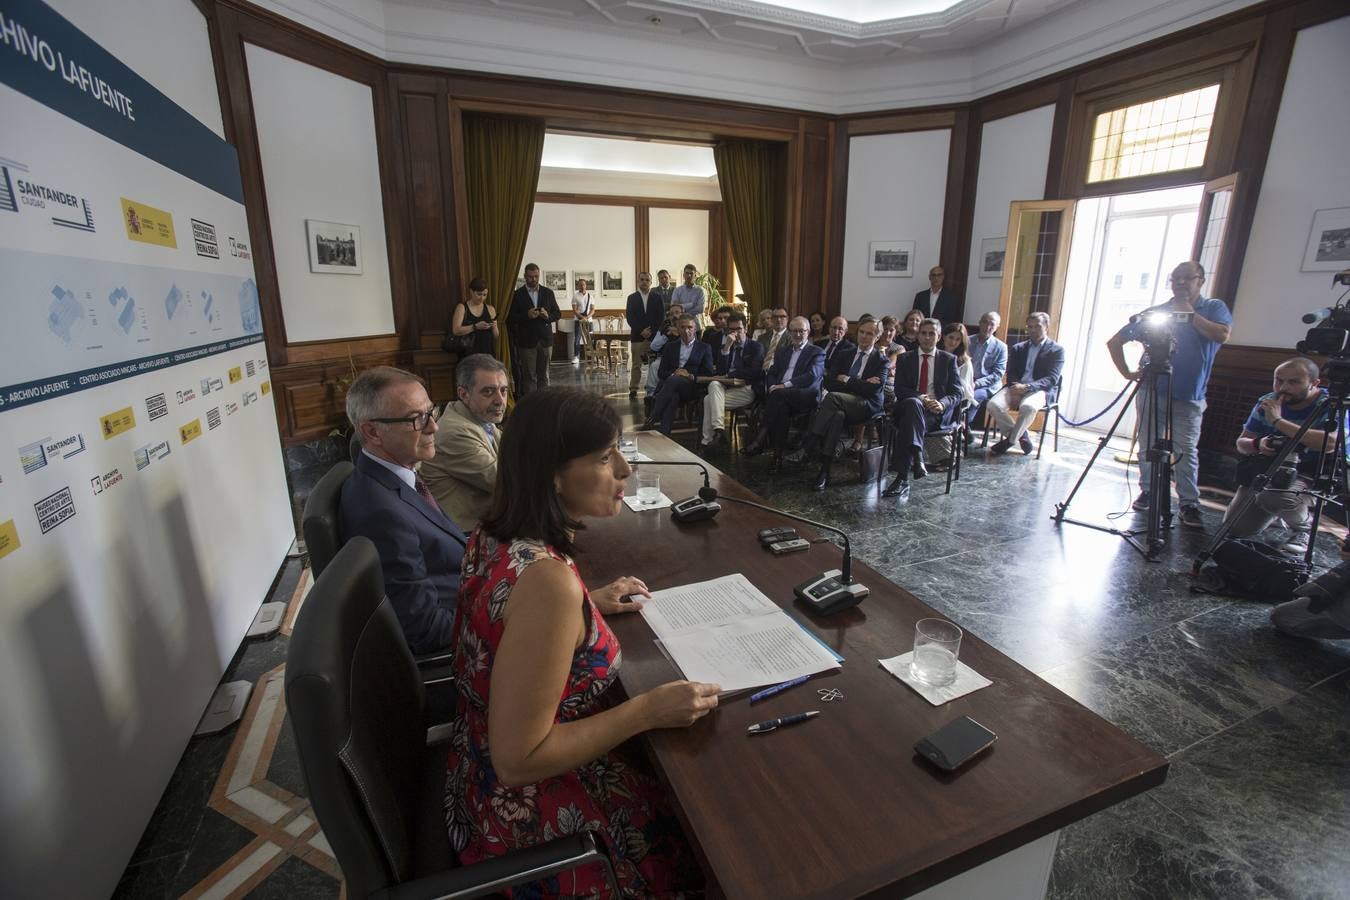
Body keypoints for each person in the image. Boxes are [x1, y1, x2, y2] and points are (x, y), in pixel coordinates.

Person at [444, 389, 717, 897]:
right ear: (552, 473)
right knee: (720, 836)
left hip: (472, 776)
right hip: (537, 816)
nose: (624, 470)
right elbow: (520, 759)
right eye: (602, 457)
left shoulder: (495, 535)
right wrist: (646, 711)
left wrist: (583, 607)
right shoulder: (546, 584)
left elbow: (504, 623)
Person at [338, 366, 467, 655]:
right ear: (372, 432)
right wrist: (505, 616)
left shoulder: (396, 475)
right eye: (416, 419)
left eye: (431, 412)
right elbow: (425, 627)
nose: (434, 426)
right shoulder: (379, 512)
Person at [1107, 260, 1232, 527]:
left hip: (1189, 394)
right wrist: (1128, 373)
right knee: (1148, 444)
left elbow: (1222, 335)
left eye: (1188, 278)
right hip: (1153, 389)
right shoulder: (1157, 312)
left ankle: (1189, 503)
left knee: (1185, 449)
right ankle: (1149, 490)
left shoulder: (1213, 308)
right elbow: (1115, 340)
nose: (1181, 284)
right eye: (1176, 279)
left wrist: (1189, 314)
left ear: (1201, 280)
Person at [1221, 358, 1333, 555]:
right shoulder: (1267, 401)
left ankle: (1303, 528)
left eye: (1293, 382)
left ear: (1314, 383)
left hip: (1307, 474)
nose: (1283, 387)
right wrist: (1258, 444)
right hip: (1268, 469)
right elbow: (1242, 444)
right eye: (1278, 380)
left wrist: (1278, 421)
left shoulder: (1328, 405)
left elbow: (1330, 443)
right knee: (1235, 529)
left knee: (1274, 496)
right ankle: (1276, 510)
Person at [791, 319, 889, 491]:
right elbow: (829, 382)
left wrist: (847, 379)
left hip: (866, 406)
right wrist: (860, 383)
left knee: (834, 398)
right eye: (862, 332)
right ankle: (825, 470)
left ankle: (809, 445)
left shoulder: (881, 361)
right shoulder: (846, 353)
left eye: (870, 334)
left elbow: (873, 390)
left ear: (878, 336)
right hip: (842, 402)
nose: (864, 337)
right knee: (837, 415)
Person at [420, 354, 508, 530]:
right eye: (488, 391)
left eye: (503, 390)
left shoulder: (480, 419)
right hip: (468, 536)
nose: (500, 400)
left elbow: (516, 454)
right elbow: (507, 482)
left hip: (491, 520)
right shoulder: (455, 432)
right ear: (463, 394)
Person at [881, 319, 961, 498]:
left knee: (911, 421)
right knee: (912, 404)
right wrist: (921, 397)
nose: (927, 337)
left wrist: (942, 404)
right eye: (923, 333)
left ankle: (902, 478)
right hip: (907, 407)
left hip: (934, 413)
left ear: (939, 337)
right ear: (917, 336)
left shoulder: (949, 360)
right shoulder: (904, 358)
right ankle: (917, 456)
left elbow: (957, 393)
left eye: (931, 333)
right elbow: (900, 389)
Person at [742, 316, 824, 458]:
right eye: (794, 331)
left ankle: (760, 439)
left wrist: (783, 386)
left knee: (777, 396)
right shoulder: (783, 351)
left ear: (808, 332)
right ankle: (777, 454)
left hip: (805, 394)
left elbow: (811, 376)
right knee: (781, 407)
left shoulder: (817, 352)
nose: (797, 335)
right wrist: (773, 385)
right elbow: (772, 372)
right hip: (781, 396)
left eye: (801, 331)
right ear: (790, 332)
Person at [988, 311, 1065, 457]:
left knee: (1028, 407)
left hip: (1040, 390)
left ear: (1046, 326)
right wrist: (1015, 389)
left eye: (1037, 326)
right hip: (1016, 386)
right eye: (1030, 327)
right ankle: (1021, 436)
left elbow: (1052, 378)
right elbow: (1011, 372)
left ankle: (1010, 441)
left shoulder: (1057, 350)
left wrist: (1028, 387)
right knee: (993, 405)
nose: (1033, 330)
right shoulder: (1019, 348)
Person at [700, 310, 764, 448]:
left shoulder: (755, 347)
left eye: (739, 329)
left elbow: (753, 372)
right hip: (727, 388)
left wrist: (730, 375)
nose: (735, 333)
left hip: (747, 389)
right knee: (714, 385)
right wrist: (727, 348)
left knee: (708, 400)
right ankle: (716, 433)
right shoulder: (725, 347)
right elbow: (721, 371)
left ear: (746, 329)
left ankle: (709, 440)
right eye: (732, 330)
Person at [643, 314, 714, 435]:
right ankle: (665, 432)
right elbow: (661, 373)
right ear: (677, 328)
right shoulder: (670, 347)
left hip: (692, 387)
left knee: (673, 381)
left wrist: (687, 374)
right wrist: (674, 373)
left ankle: (653, 416)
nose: (687, 330)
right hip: (672, 387)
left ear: (695, 328)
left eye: (690, 327)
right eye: (683, 327)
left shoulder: (704, 347)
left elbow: (708, 372)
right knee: (673, 394)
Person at [507, 263, 562, 397]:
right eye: (530, 277)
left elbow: (558, 314)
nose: (534, 279)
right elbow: (510, 318)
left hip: (545, 340)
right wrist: (527, 315)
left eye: (536, 276)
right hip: (526, 341)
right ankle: (530, 406)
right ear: (525, 277)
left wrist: (547, 316)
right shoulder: (517, 295)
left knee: (544, 376)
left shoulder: (548, 292)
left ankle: (544, 403)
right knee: (529, 377)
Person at [967, 311, 1007, 432]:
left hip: (987, 385)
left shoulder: (1001, 347)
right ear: (979, 323)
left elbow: (997, 374)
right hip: (967, 380)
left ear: (997, 327)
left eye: (992, 324)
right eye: (984, 322)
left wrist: (977, 383)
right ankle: (960, 427)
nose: (987, 327)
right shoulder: (968, 341)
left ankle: (964, 425)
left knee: (973, 397)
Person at [625, 271, 662, 399]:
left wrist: (650, 331)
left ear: (651, 282)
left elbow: (660, 317)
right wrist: (642, 330)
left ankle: (652, 388)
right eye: (642, 279)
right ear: (638, 281)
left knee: (654, 364)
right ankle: (633, 389)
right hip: (637, 336)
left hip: (654, 337)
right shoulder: (632, 298)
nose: (644, 282)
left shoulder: (657, 297)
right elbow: (630, 317)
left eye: (647, 280)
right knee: (636, 365)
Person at [448, 277, 498, 358]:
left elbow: (495, 335)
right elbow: (456, 330)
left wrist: (494, 325)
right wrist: (475, 326)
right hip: (468, 352)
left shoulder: (491, 309)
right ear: (471, 291)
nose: (482, 298)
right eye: (479, 294)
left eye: (485, 295)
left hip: (488, 352)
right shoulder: (462, 307)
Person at [942, 322, 974, 403]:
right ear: (944, 337)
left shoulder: (965, 362)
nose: (953, 342)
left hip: (954, 399)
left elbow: (964, 387)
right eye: (951, 337)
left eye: (957, 339)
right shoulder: (935, 354)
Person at [671, 263, 707, 331]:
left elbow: (700, 309)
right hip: (681, 326)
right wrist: (692, 304)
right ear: (683, 275)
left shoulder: (700, 290)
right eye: (687, 273)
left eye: (691, 273)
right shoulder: (677, 290)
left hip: (696, 326)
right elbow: (674, 307)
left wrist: (682, 310)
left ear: (695, 275)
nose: (689, 275)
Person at [570, 277, 594, 364]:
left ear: (586, 285)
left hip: (589, 320)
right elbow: (574, 310)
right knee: (577, 338)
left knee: (590, 339)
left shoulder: (590, 296)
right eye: (580, 285)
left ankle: (592, 356)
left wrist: (586, 317)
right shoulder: (575, 296)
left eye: (583, 284)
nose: (582, 286)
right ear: (578, 286)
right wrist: (581, 317)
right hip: (578, 320)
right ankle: (576, 356)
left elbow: (593, 309)